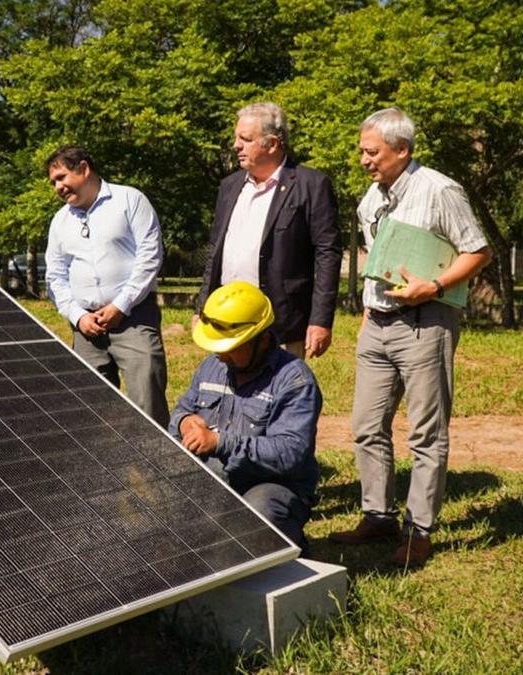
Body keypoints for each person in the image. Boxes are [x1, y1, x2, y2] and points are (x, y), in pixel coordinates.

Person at [328, 107, 492, 567]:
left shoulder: (439, 190)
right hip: (376, 324)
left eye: (372, 151)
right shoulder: (373, 195)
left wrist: (435, 287)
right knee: (365, 425)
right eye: (362, 150)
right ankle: (378, 516)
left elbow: (478, 250)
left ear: (402, 150)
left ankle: (419, 531)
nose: (364, 159)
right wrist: (366, 314)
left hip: (425, 323)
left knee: (426, 432)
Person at [170, 281, 321, 553]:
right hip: (217, 477)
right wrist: (185, 422)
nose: (221, 354)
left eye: (231, 347)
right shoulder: (211, 366)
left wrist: (219, 442)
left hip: (273, 485)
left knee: (258, 515)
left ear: (262, 339)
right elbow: (180, 411)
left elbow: (290, 452)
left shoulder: (294, 381)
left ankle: (288, 558)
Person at [196, 102, 343, 360]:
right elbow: (215, 252)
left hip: (281, 325)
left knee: (280, 396)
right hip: (226, 320)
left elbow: (328, 254)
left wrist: (320, 321)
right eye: (236, 138)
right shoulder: (229, 187)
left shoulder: (311, 185)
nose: (235, 145)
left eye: (245, 139)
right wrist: (202, 308)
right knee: (225, 396)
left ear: (272, 144)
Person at [44, 146, 169, 427]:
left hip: (134, 319)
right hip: (86, 328)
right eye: (53, 182)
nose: (58, 187)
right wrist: (78, 316)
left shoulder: (130, 200)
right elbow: (55, 276)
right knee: (93, 409)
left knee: (147, 400)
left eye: (62, 177)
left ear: (84, 168)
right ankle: (108, 469)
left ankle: (157, 467)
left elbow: (150, 258)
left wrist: (120, 306)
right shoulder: (60, 221)